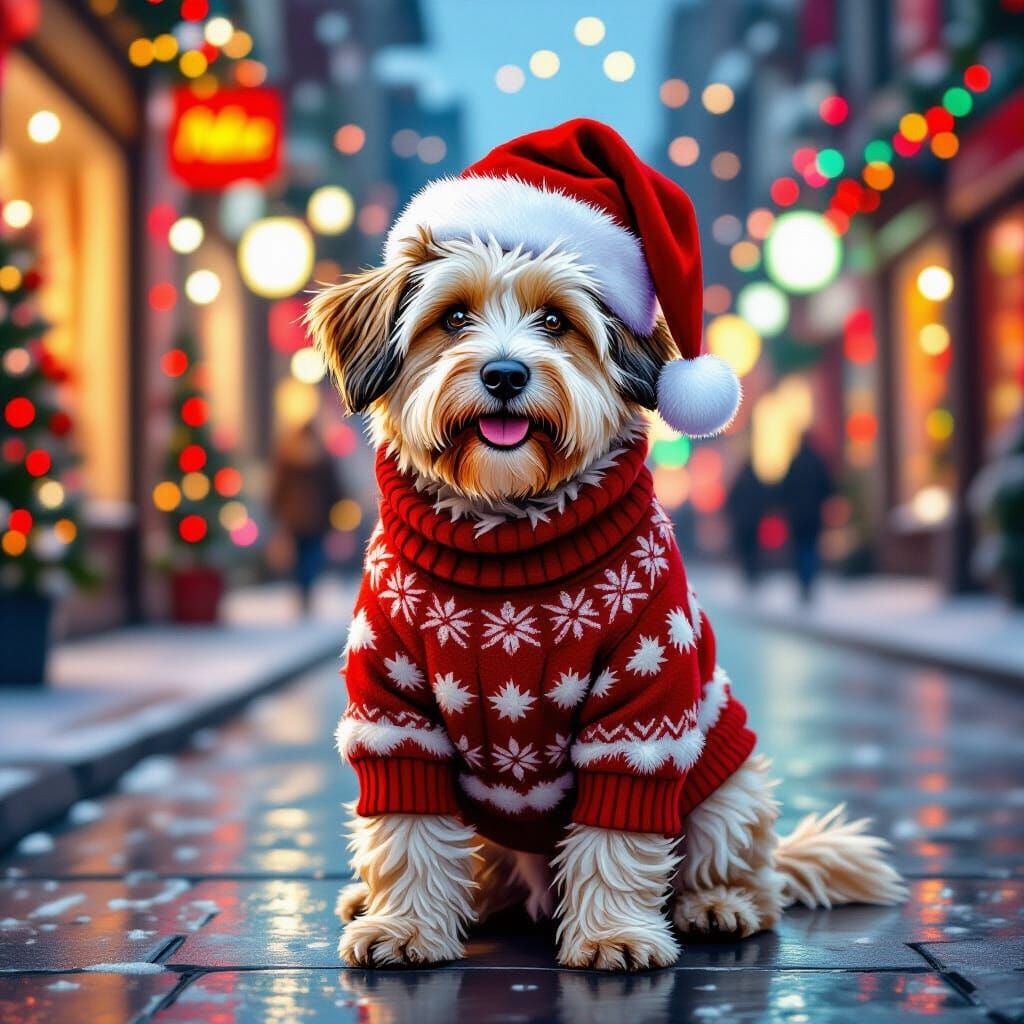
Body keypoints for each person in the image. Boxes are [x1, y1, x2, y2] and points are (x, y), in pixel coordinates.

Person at [269, 420, 342, 613]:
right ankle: (307, 592)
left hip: (294, 519)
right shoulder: (323, 459)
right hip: (318, 519)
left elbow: (278, 490)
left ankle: (303, 591)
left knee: (300, 559)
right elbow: (335, 490)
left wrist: (276, 512)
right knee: (312, 558)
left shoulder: (287, 458)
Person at [779, 435, 834, 601]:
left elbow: (784, 490)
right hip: (813, 515)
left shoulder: (794, 463)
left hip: (797, 517)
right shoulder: (817, 463)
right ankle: (809, 581)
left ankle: (803, 582)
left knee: (800, 549)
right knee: (811, 548)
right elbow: (828, 487)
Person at [725, 458, 769, 585]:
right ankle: (753, 570)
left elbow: (731, 500)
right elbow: (764, 499)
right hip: (754, 521)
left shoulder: (738, 482)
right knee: (753, 548)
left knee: (745, 548)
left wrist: (734, 515)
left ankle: (748, 571)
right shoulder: (756, 482)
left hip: (742, 522)